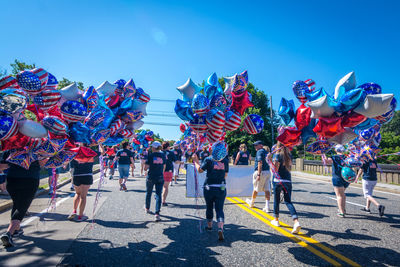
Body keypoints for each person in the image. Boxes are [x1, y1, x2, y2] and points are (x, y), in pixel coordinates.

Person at [0, 151, 43, 247]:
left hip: (12, 180)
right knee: (22, 208)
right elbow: (42, 163)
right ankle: (8, 233)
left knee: (17, 203)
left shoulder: (11, 147)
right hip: (30, 179)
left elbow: (2, 166)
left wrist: (14, 163)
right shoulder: (37, 147)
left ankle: (17, 229)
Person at [193, 142, 229, 241]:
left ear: (212, 149)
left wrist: (196, 161)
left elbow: (200, 170)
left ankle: (209, 226)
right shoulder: (225, 160)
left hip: (209, 186)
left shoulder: (208, 159)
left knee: (209, 207)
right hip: (221, 187)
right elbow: (225, 175)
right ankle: (220, 228)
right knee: (219, 208)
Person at [269, 141, 301, 234]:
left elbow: (275, 170)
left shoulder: (277, 155)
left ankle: (276, 219)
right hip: (288, 180)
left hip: (278, 181)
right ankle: (296, 222)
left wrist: (270, 161)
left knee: (276, 200)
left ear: (278, 145)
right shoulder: (289, 155)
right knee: (288, 201)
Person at [68, 144, 105, 222]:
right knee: (83, 196)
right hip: (87, 175)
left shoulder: (75, 152)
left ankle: (74, 211)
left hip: (76, 175)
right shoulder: (91, 152)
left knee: (77, 193)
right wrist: (100, 144)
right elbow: (102, 152)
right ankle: (80, 216)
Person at [323, 145, 348, 218]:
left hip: (337, 178)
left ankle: (341, 212)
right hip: (346, 178)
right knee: (343, 194)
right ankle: (343, 208)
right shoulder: (346, 157)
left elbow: (326, 162)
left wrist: (323, 153)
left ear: (336, 150)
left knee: (339, 195)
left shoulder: (334, 157)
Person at [246, 141, 271, 212]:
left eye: (256, 145)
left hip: (261, 172)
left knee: (255, 188)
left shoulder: (259, 152)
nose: (255, 147)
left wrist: (259, 174)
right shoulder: (266, 152)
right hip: (267, 171)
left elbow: (260, 163)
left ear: (261, 145)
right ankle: (267, 206)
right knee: (267, 189)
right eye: (254, 145)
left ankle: (252, 202)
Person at [144, 141, 166, 221]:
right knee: (158, 194)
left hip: (151, 176)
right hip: (160, 176)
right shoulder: (163, 155)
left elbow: (146, 168)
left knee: (148, 193)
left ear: (154, 147)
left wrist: (145, 168)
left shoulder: (151, 155)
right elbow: (164, 166)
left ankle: (147, 208)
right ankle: (157, 213)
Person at [162, 142, 177, 206]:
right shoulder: (171, 153)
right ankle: (163, 201)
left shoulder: (159, 152)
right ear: (168, 146)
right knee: (165, 187)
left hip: (159, 171)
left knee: (159, 186)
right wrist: (181, 162)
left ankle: (159, 196)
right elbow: (175, 161)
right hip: (168, 170)